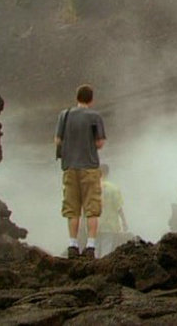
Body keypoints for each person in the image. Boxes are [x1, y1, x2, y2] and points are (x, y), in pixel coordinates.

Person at [54, 84, 106, 259]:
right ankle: (91, 245)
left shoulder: (64, 115)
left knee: (72, 208)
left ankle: (72, 244)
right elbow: (99, 143)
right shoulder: (95, 116)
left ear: (77, 97)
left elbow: (57, 140)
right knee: (92, 208)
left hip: (70, 167)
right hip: (89, 166)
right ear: (91, 99)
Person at [97, 164, 128, 257]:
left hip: (94, 225)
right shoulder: (113, 188)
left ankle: (94, 269)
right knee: (106, 250)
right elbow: (118, 207)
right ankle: (103, 270)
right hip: (109, 224)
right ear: (108, 173)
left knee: (94, 249)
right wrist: (124, 222)